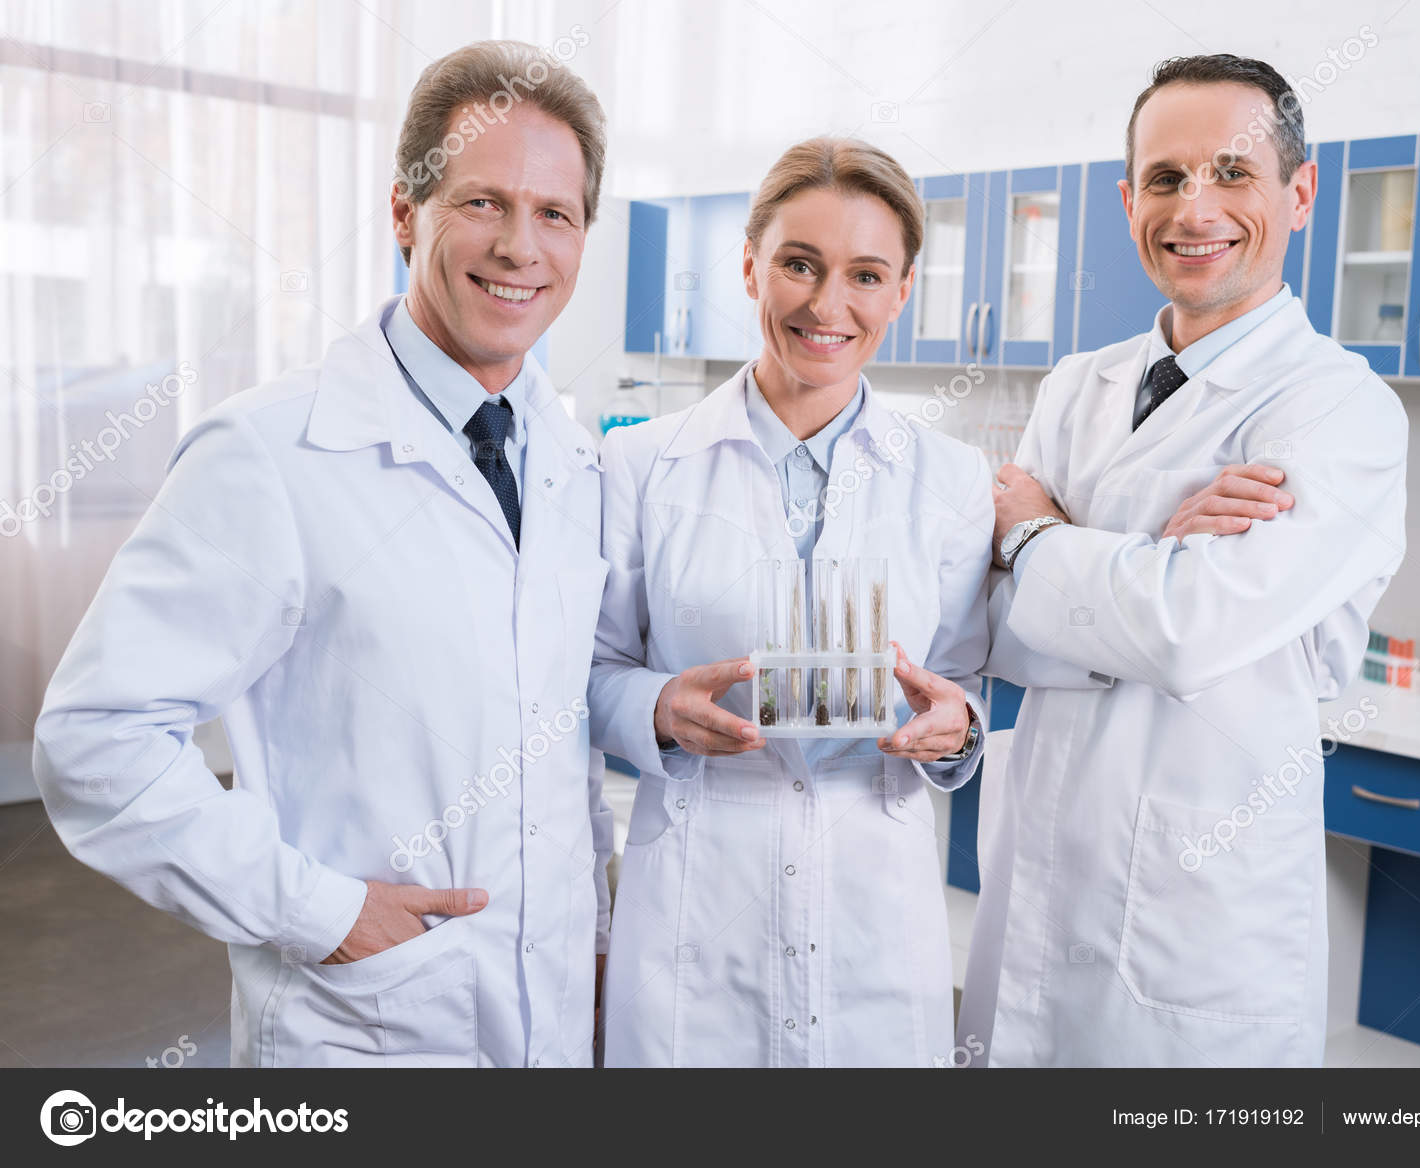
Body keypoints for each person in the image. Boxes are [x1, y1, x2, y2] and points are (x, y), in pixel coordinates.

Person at [32, 41, 614, 1068]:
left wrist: (596, 940)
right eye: (483, 202)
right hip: (366, 1024)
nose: (521, 246)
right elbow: (96, 740)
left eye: (554, 213)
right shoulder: (269, 450)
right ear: (404, 213)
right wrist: (318, 909)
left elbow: (554, 729)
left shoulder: (572, 460)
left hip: (551, 1013)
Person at [963, 53, 1408, 1067]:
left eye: (1231, 173)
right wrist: (1144, 566)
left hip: (1194, 926)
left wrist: (1039, 535)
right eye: (1165, 178)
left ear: (1299, 194)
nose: (1192, 207)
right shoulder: (1077, 384)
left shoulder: (1339, 411)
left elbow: (1184, 629)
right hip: (1038, 884)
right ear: (1129, 202)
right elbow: (983, 623)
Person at [589, 138, 994, 1067]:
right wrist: (654, 708)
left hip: (874, 912)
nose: (827, 304)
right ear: (749, 265)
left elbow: (965, 682)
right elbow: (588, 670)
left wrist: (957, 728)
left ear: (902, 291)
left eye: (865, 274)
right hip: (697, 899)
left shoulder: (953, 479)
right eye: (799, 265)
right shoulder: (639, 464)